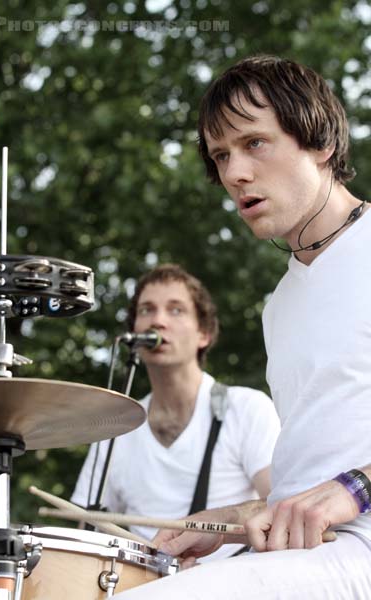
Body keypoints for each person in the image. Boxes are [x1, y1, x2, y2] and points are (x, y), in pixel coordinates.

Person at [115, 56, 371, 599]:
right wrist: (233, 518)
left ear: (320, 142)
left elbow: (341, 486)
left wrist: (357, 489)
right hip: (307, 553)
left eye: (255, 143)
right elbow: (311, 478)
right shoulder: (280, 304)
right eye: (221, 156)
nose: (235, 174)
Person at [72, 263, 280, 560]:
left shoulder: (247, 409)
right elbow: (86, 534)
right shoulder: (115, 425)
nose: (158, 320)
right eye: (146, 310)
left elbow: (280, 503)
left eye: (176, 310)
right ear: (134, 332)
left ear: (204, 334)